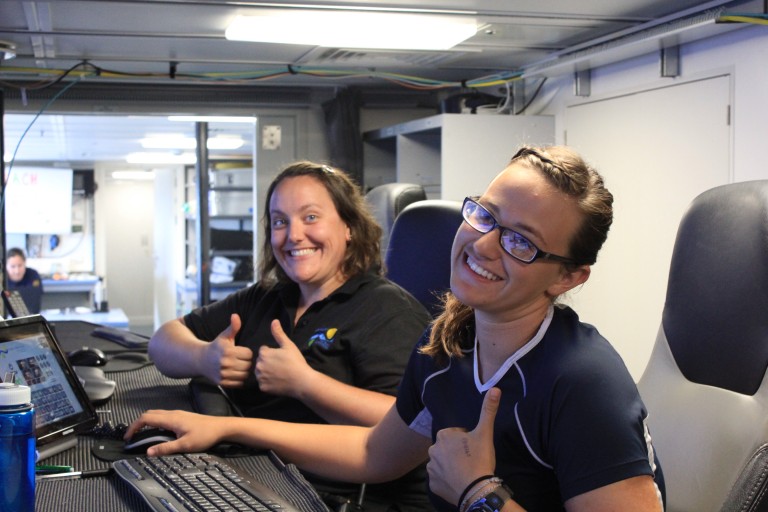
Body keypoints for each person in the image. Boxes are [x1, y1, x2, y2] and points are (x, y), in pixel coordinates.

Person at [129, 146, 665, 512]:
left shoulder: (582, 380)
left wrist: (481, 493)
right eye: (484, 216)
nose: (482, 245)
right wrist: (229, 429)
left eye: (520, 241)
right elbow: (373, 456)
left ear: (569, 276)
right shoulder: (446, 348)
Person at [148, 160, 432, 510]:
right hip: (260, 480)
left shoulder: (387, 310)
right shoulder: (265, 297)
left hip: (344, 499)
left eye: (310, 217)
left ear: (349, 228)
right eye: (280, 221)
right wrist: (204, 358)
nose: (294, 235)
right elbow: (163, 340)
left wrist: (305, 384)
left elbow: (407, 421)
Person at [6, 247, 44, 313]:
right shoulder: (2, 278)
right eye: (12, 266)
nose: (17, 271)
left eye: (20, 265)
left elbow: (35, 294)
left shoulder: (33, 274)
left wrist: (9, 293)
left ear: (25, 263)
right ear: (6, 266)